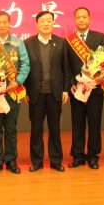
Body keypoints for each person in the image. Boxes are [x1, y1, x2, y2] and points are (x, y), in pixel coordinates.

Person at [0, 11, 30, 174]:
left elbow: (25, 64)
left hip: (12, 92)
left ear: (9, 24)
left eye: (5, 22)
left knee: (11, 129)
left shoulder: (18, 43)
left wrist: (18, 82)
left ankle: (11, 160)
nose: (2, 25)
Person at [23, 10, 68, 172]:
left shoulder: (61, 42)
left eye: (49, 20)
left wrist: (65, 90)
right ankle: (37, 161)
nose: (46, 23)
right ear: (37, 24)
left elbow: (66, 68)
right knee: (36, 129)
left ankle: (56, 160)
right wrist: (25, 91)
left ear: (53, 23)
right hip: (35, 93)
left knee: (55, 128)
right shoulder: (28, 43)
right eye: (42, 20)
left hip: (55, 93)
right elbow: (24, 68)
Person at [64, 7, 104, 170]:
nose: (81, 20)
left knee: (95, 123)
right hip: (77, 89)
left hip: (95, 88)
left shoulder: (100, 37)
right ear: (74, 20)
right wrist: (70, 83)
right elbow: (66, 66)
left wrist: (103, 76)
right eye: (78, 17)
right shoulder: (69, 40)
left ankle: (93, 156)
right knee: (77, 123)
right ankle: (78, 156)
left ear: (89, 18)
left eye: (84, 17)